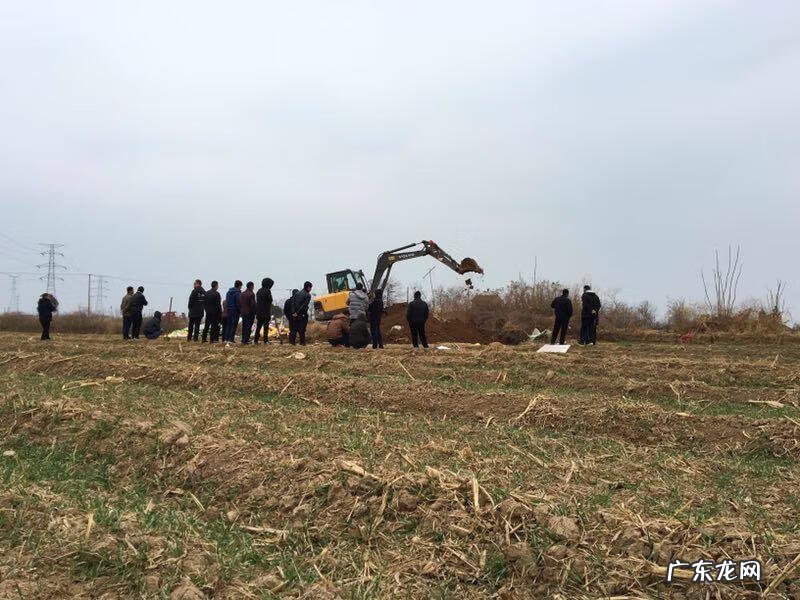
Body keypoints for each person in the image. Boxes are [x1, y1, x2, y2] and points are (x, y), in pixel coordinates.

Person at [290, 281, 313, 346]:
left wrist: (293, 312)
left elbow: (292, 303)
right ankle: (302, 342)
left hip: (294, 314)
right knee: (302, 329)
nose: (311, 289)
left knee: (294, 328)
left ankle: (292, 342)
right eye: (310, 288)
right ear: (308, 287)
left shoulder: (297, 293)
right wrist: (298, 313)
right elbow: (304, 305)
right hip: (302, 314)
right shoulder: (308, 295)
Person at [254, 277, 274, 345]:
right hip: (265, 311)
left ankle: (255, 340)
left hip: (259, 311)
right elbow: (270, 300)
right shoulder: (267, 291)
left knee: (258, 327)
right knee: (266, 327)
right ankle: (265, 341)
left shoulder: (259, 291)